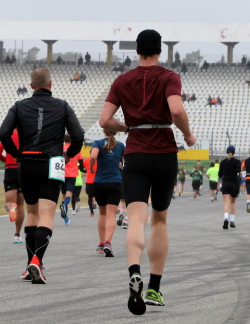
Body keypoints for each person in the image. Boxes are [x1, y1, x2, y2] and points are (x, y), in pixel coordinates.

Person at [98, 28, 196, 314]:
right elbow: (176, 111)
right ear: (159, 51)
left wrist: (127, 126)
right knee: (160, 220)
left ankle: (133, 272)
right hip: (164, 152)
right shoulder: (169, 77)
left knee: (136, 218)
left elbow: (105, 120)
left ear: (137, 51)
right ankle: (154, 287)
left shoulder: (122, 80)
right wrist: (188, 135)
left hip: (136, 152)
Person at [0, 67, 84, 284]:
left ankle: (30, 264)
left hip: (27, 162)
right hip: (52, 162)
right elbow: (78, 134)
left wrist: (16, 154)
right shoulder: (63, 106)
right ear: (50, 84)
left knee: (32, 212)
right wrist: (69, 155)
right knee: (47, 214)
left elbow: (3, 133)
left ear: (31, 86)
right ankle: (37, 260)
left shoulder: (19, 106)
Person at [91, 129, 126, 257]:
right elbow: (123, 162)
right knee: (111, 215)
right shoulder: (121, 145)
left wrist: (91, 168)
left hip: (100, 181)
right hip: (115, 182)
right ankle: (108, 243)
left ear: (104, 130)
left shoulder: (98, 143)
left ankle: (101, 244)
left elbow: (93, 156)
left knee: (102, 213)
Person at [0, 129, 25, 244]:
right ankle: (17, 234)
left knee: (10, 202)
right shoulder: (26, 134)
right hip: (22, 169)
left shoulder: (7, 135)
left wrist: (6, 160)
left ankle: (11, 208)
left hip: (10, 169)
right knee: (21, 205)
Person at [59, 134, 83, 225]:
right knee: (69, 195)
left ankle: (66, 218)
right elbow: (81, 163)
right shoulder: (75, 149)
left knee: (63, 196)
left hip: (61, 174)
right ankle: (64, 205)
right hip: (72, 174)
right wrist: (82, 169)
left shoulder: (60, 149)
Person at [84, 153, 98, 217]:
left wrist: (86, 171)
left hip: (89, 181)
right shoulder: (99, 160)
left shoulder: (86, 160)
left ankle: (91, 212)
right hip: (97, 180)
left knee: (89, 196)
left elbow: (83, 168)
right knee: (99, 195)